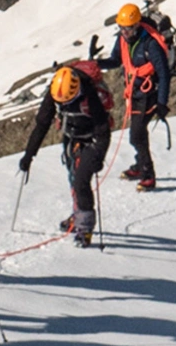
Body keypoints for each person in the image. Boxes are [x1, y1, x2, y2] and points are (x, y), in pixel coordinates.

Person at [17, 61, 113, 248]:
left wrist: (98, 156)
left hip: (91, 140)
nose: (64, 105)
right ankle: (78, 214)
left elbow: (102, 128)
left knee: (80, 181)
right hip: (71, 138)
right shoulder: (56, 93)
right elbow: (42, 124)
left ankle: (84, 228)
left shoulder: (89, 93)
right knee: (73, 179)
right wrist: (29, 155)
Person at [97, 2, 172, 190]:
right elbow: (116, 60)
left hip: (149, 95)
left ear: (137, 25)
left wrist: (162, 103)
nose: (124, 32)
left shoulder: (151, 45)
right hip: (135, 93)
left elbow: (163, 74)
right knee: (137, 134)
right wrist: (97, 64)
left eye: (127, 28)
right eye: (121, 28)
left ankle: (148, 174)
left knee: (137, 135)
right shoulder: (123, 40)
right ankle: (140, 165)